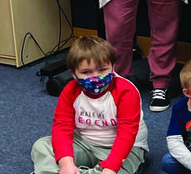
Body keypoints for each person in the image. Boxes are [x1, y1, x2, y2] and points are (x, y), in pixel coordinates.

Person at [31, 36, 149, 174]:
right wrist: (66, 164)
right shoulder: (70, 91)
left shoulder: (126, 92)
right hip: (84, 143)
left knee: (119, 168)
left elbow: (126, 135)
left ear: (112, 66)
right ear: (73, 73)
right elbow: (62, 128)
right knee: (41, 146)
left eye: (102, 70)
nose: (96, 77)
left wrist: (110, 169)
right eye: (86, 72)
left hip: (125, 149)